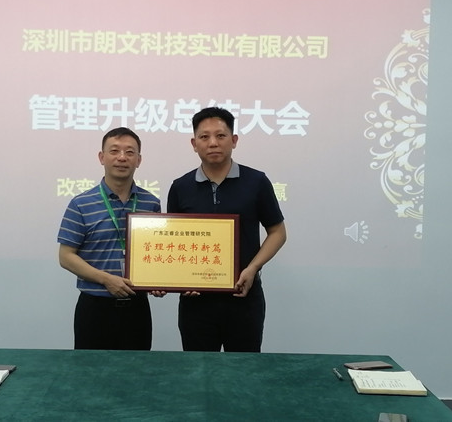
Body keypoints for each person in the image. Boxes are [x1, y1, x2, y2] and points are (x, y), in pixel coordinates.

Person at [167, 107, 286, 352]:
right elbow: (174, 241)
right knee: (198, 370)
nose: (213, 143)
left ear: (234, 140)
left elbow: (278, 232)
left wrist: (252, 268)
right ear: (194, 144)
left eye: (220, 136)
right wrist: (180, 278)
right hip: (196, 303)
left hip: (244, 297)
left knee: (244, 370)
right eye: (204, 137)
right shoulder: (180, 187)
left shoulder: (257, 182)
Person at [58, 127, 161, 350]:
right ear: (101, 157)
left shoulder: (151, 203)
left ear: (139, 160)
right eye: (114, 151)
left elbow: (155, 253)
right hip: (95, 308)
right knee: (90, 370)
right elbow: (66, 257)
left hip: (137, 308)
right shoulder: (81, 204)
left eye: (130, 152)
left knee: (137, 369)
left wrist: (158, 281)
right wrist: (106, 279)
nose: (122, 157)